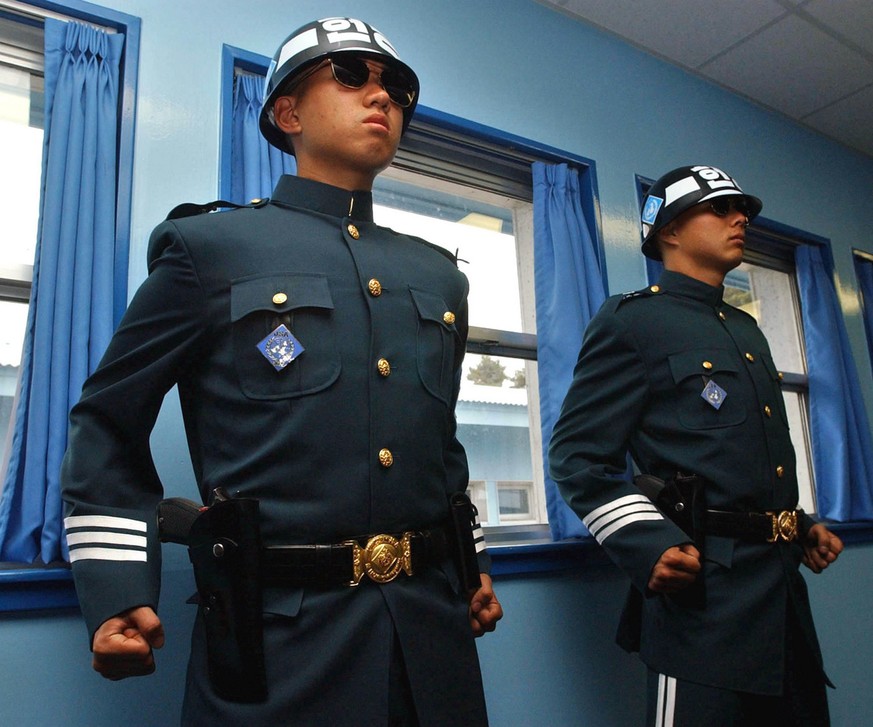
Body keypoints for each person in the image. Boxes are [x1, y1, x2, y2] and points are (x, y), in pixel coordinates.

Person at [60, 17, 502, 726]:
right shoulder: (211, 249)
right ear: (287, 113)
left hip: (430, 635)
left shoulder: (438, 275)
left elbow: (437, 443)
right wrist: (115, 588)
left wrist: (469, 561)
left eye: (395, 86)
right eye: (352, 75)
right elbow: (107, 423)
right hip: (280, 645)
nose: (381, 96)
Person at [549, 165, 843, 726]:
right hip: (704, 603)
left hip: (781, 599)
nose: (740, 219)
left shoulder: (745, 327)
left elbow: (736, 461)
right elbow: (577, 456)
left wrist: (798, 524)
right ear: (669, 230)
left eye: (744, 211)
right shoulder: (632, 321)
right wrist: (647, 543)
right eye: (720, 208)